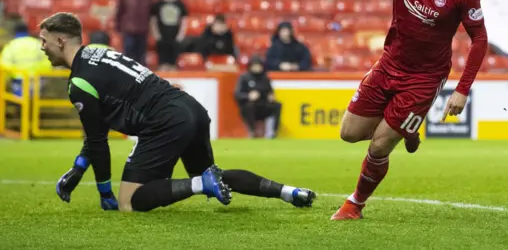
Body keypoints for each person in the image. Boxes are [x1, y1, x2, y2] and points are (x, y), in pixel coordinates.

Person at [292, 0, 488, 220]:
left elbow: (479, 39)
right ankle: (406, 130)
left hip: (424, 78)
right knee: (349, 133)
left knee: (381, 144)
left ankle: (355, 203)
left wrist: (462, 89)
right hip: (389, 64)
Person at [40, 12, 315, 212]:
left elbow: (98, 142)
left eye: (44, 41)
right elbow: (97, 133)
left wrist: (104, 192)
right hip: (189, 108)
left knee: (130, 202)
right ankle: (289, 192)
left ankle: (201, 184)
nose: (42, 48)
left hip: (164, 121)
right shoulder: (99, 53)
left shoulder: (79, 83)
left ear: (61, 40)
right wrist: (78, 169)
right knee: (209, 173)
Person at [234, 55, 282, 139]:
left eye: (259, 66)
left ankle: (273, 132)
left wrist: (271, 96)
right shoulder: (244, 78)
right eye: (254, 66)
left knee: (277, 105)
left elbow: (270, 91)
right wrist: (248, 96)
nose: (257, 68)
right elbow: (237, 94)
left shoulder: (265, 78)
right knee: (249, 106)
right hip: (250, 107)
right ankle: (252, 131)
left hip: (263, 105)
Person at [115, 0, 154, 65]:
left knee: (141, 56)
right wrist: (118, 28)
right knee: (128, 56)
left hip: (143, 31)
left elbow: (151, 14)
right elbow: (119, 13)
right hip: (128, 31)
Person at [150, 0, 188, 71]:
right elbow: (153, 20)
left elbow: (184, 20)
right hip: (162, 38)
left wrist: (180, 35)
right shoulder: (158, 4)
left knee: (173, 64)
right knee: (162, 63)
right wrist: (156, 34)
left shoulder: (180, 4)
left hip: (175, 38)